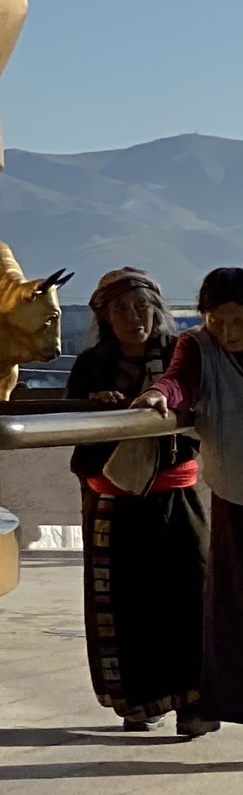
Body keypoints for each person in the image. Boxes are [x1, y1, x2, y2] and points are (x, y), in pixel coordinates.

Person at [68, 268, 207, 735]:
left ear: (158, 311)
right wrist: (98, 407)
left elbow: (195, 402)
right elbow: (71, 424)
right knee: (124, 605)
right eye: (122, 310)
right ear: (105, 318)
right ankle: (138, 701)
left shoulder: (179, 356)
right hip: (113, 505)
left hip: (174, 497)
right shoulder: (90, 364)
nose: (135, 318)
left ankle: (194, 703)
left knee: (191, 595)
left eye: (143, 308)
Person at [130, 267, 243, 731]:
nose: (227, 332)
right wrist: (159, 393)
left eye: (238, 320)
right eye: (217, 321)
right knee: (234, 607)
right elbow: (181, 382)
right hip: (236, 493)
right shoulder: (198, 346)